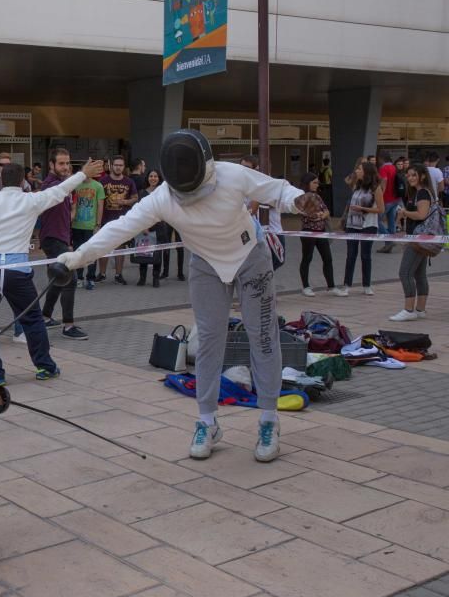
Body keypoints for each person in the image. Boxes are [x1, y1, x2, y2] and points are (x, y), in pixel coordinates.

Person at [59, 129, 316, 463]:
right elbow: (119, 228)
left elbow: (276, 189)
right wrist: (78, 257)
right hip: (206, 266)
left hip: (251, 258)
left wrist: (298, 199)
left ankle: (269, 419)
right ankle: (207, 422)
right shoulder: (162, 198)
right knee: (209, 341)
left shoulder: (232, 174)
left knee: (263, 338)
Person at [0, 159, 104, 386]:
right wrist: (83, 174)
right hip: (17, 272)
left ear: (1, 179)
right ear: (23, 180)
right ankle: (45, 367)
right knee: (33, 320)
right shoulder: (31, 200)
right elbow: (60, 190)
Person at [39, 148, 90, 340]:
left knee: (58, 278)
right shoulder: (50, 185)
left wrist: (68, 241)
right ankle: (68, 326)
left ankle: (45, 316)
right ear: (51, 165)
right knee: (70, 278)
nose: (66, 167)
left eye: (68, 163)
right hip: (52, 239)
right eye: (61, 163)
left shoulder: (63, 185)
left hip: (59, 238)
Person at [390, 164, 434, 322]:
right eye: (408, 175)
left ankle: (409, 309)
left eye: (414, 175)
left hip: (418, 240)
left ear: (422, 176)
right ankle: (420, 309)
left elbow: (421, 214)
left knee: (405, 272)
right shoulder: (419, 192)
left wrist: (404, 212)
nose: (410, 178)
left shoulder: (422, 193)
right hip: (419, 238)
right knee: (419, 274)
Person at [338, 161, 384, 296]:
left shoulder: (376, 188)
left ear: (366, 172)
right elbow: (347, 180)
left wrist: (363, 209)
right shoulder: (356, 186)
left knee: (365, 255)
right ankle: (346, 285)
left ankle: (367, 285)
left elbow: (381, 209)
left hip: (368, 225)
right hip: (352, 225)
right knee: (350, 255)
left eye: (359, 169)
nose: (356, 171)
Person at [95, 155, 137, 284]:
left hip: (122, 221)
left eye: (121, 165)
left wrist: (124, 201)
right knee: (104, 248)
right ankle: (102, 274)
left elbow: (135, 198)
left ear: (124, 167)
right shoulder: (103, 181)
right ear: (111, 166)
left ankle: (119, 274)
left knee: (120, 248)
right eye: (116, 165)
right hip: (105, 220)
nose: (118, 167)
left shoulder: (129, 182)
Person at [296, 173, 338, 297]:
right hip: (308, 231)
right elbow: (308, 214)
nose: (317, 185)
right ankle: (306, 286)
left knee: (327, 258)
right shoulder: (302, 197)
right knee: (307, 258)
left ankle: (331, 286)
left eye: (317, 182)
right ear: (307, 183)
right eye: (314, 182)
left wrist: (321, 214)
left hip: (321, 231)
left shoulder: (317, 196)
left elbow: (326, 211)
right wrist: (319, 214)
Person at [71, 164, 105, 289]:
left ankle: (90, 278)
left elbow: (100, 206)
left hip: (91, 226)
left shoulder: (98, 186)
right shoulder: (75, 186)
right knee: (78, 252)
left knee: (91, 253)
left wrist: (98, 224)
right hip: (77, 225)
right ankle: (78, 277)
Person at [136, 170, 171, 288]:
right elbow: (139, 211)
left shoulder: (163, 193)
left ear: (159, 178)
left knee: (157, 255)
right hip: (145, 227)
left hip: (159, 226)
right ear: (147, 178)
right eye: (151, 176)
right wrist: (143, 226)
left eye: (155, 176)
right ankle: (142, 278)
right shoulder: (142, 193)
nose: (153, 178)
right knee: (144, 253)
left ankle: (156, 278)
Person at [376, 151, 400, 253]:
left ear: (382, 158)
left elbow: (384, 182)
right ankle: (389, 243)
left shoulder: (383, 168)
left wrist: (380, 196)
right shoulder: (394, 168)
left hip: (386, 199)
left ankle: (389, 241)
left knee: (376, 221)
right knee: (391, 222)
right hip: (395, 198)